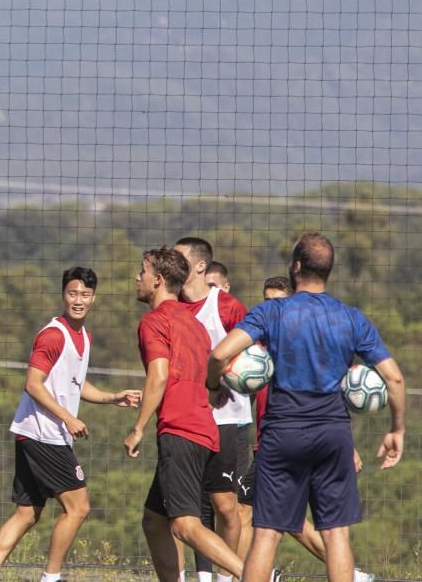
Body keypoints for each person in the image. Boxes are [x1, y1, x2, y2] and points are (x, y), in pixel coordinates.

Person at [207, 233, 406, 582]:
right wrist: (397, 429)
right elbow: (395, 380)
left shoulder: (272, 311)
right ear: (327, 271)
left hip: (283, 433)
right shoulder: (351, 318)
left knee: (267, 532)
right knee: (336, 532)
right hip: (333, 434)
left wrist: (213, 386)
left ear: (296, 266)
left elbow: (220, 354)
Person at [0, 268, 142, 582]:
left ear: (93, 297)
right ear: (63, 294)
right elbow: (33, 384)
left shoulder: (83, 337)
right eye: (72, 293)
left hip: (36, 435)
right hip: (44, 436)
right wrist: (68, 418)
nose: (78, 301)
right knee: (78, 507)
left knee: (27, 513)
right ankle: (51, 578)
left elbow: (74, 385)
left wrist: (112, 397)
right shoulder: (53, 335)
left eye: (84, 295)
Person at [235, 276, 375, 582]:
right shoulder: (255, 354)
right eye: (265, 299)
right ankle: (351, 573)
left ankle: (239, 575)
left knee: (254, 516)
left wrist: (348, 446)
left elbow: (330, 400)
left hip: (283, 445)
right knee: (286, 521)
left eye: (277, 301)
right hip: (273, 442)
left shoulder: (304, 351)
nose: (270, 306)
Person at [124, 247, 244, 582]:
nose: (137, 277)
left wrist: (138, 428)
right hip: (205, 431)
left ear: (158, 280)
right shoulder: (194, 325)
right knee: (154, 519)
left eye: (142, 271)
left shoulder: (154, 321)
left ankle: (253, 575)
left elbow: (159, 376)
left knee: (184, 524)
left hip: (179, 432)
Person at [174, 239, 248, 582]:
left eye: (180, 257)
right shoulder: (172, 308)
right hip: (187, 422)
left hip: (226, 420)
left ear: (201, 266)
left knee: (224, 507)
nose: (172, 261)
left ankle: (226, 576)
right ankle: (202, 577)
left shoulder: (228, 306)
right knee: (191, 508)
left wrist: (221, 380)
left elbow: (252, 358)